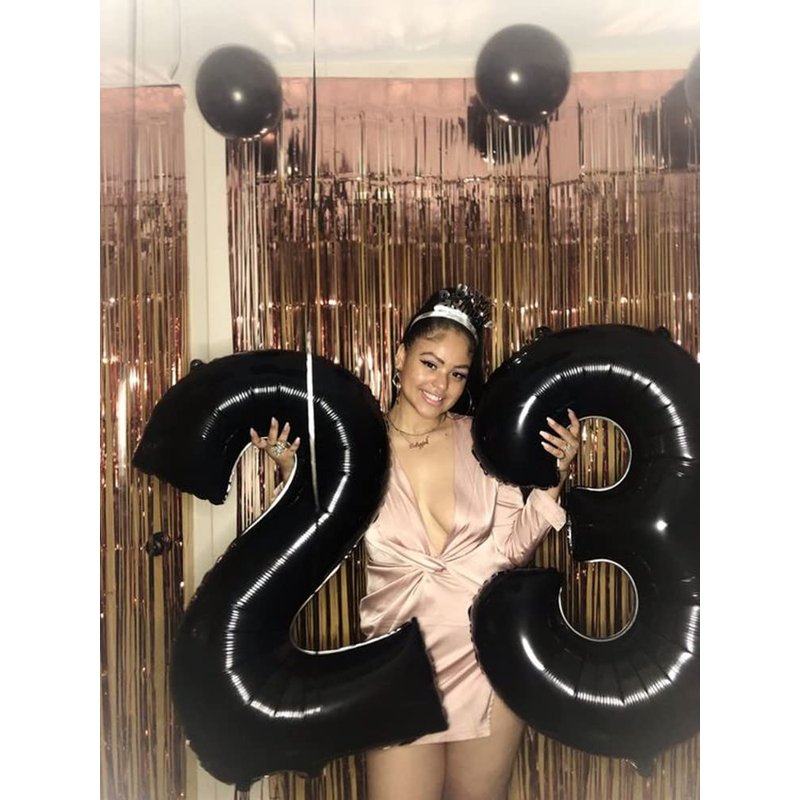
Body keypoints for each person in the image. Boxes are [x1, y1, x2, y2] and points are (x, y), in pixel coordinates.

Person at [250, 285, 580, 800]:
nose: (441, 385)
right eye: (430, 363)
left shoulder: (484, 441)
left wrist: (552, 479)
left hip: (486, 661)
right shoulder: (354, 448)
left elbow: (511, 551)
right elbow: (318, 538)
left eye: (457, 374)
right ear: (400, 356)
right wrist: (294, 471)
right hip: (397, 668)